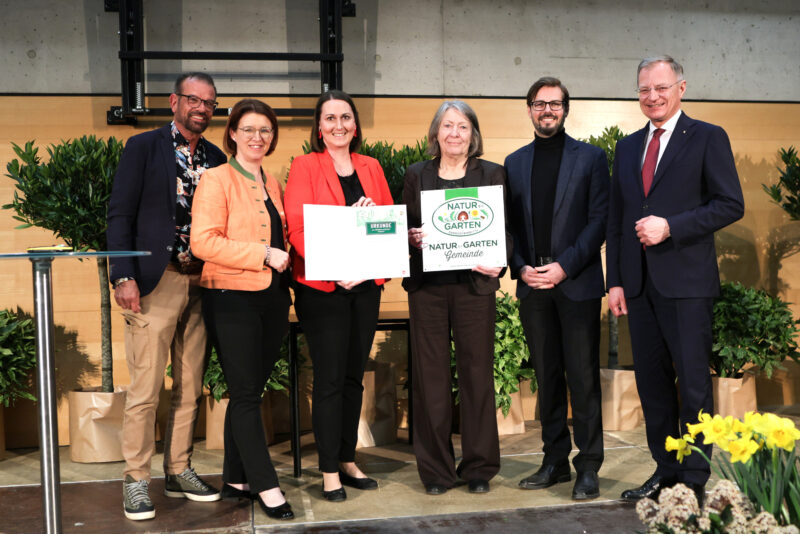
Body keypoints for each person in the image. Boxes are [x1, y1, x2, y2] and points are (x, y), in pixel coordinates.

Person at [607, 56, 744, 507]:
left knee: (693, 385)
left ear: (681, 87)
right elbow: (616, 219)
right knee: (652, 385)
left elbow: (730, 204)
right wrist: (616, 282)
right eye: (644, 89)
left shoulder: (707, 137)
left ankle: (694, 477)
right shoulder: (627, 148)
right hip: (640, 288)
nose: (652, 97)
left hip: (687, 284)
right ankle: (665, 472)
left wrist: (672, 225)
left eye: (661, 88)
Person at [107, 72, 225, 521]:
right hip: (156, 280)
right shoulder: (143, 147)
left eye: (209, 103)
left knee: (190, 386)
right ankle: (136, 479)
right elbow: (119, 212)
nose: (201, 108)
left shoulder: (215, 157)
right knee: (146, 388)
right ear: (174, 101)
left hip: (202, 280)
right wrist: (122, 275)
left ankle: (179, 469)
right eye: (194, 100)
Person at [284, 90, 393, 502]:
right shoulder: (304, 166)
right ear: (318, 127)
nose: (338, 125)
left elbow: (384, 224)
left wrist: (364, 252)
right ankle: (329, 469)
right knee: (329, 380)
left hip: (365, 287)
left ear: (356, 124)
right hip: (322, 290)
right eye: (330, 118)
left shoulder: (372, 167)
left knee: (352, 378)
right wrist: (338, 266)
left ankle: (347, 458)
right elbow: (298, 231)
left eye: (345, 117)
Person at [505, 77, 609, 500]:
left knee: (583, 379)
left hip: (576, 284)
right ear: (529, 108)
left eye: (555, 104)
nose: (547, 110)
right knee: (547, 379)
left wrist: (564, 266)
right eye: (539, 103)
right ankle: (554, 461)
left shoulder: (591, 158)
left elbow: (599, 220)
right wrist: (521, 267)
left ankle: (588, 466)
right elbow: (506, 226)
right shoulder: (513, 162)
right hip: (533, 285)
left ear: (566, 109)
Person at [190, 99, 294, 520]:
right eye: (248, 130)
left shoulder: (272, 180)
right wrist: (262, 254)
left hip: (271, 298)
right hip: (231, 297)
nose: (257, 138)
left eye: (265, 131)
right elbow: (203, 242)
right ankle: (267, 486)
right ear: (232, 133)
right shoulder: (215, 180)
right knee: (247, 393)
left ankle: (235, 478)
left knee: (251, 389)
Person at [403, 100, 512, 496]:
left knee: (476, 375)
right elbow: (407, 227)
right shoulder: (416, 174)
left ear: (473, 134)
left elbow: (508, 230)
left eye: (462, 127)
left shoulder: (493, 174)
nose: (454, 133)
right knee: (430, 380)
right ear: (436, 134)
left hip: (473, 288)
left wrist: (498, 260)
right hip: (428, 290)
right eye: (447, 126)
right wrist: (412, 237)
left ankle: (479, 467)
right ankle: (436, 472)